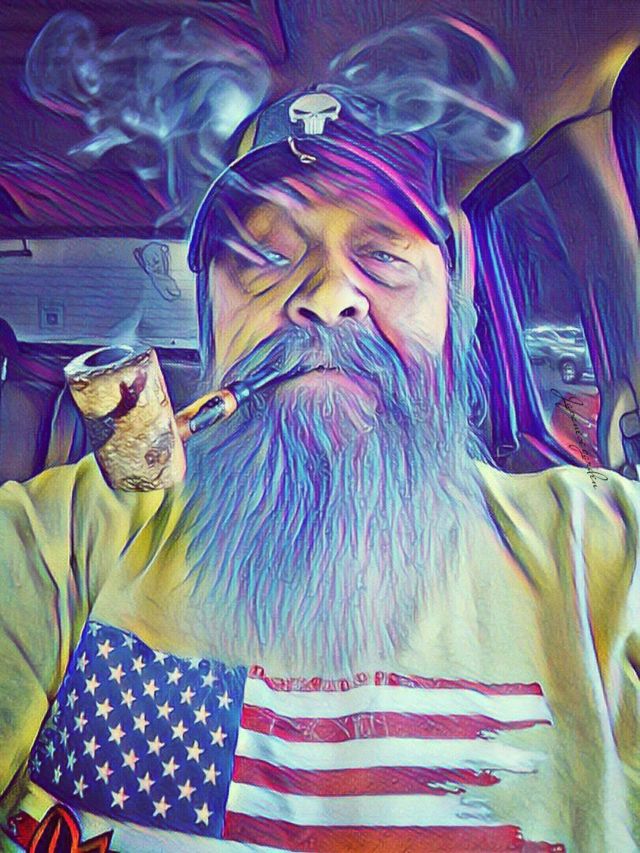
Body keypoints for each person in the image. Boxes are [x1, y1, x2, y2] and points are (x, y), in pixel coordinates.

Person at [0, 73, 639, 853]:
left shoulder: (601, 551)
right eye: (266, 253)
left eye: (383, 253)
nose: (330, 294)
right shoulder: (67, 534)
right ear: (210, 318)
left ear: (455, 302)